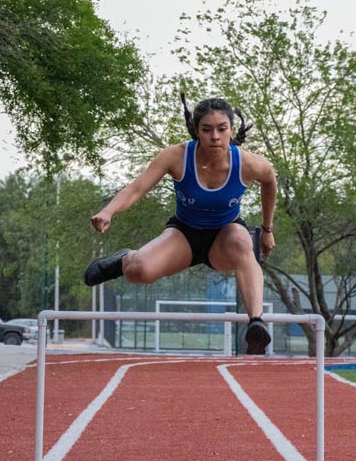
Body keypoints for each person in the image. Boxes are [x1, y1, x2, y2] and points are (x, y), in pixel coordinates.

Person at [84, 95, 277, 354]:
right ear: (196, 131)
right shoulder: (175, 156)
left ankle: (256, 323)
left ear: (232, 130)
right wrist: (108, 211)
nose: (215, 137)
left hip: (225, 237)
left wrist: (267, 230)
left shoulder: (249, 163)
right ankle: (123, 260)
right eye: (207, 130)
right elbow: (136, 188)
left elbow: (270, 181)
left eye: (222, 129)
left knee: (244, 241)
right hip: (184, 234)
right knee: (139, 271)